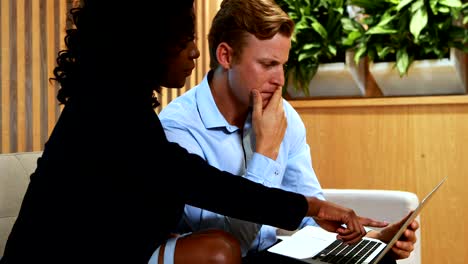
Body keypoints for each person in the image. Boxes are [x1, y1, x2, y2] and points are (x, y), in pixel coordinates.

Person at [0, 1, 389, 264]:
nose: (193, 51)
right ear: (145, 44)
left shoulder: (120, 106)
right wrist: (300, 192)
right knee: (218, 250)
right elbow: (206, 188)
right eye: (182, 38)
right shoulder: (113, 114)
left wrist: (361, 238)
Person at [159, 0, 419, 263]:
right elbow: (230, 248)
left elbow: (312, 219)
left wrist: (372, 240)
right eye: (267, 64)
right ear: (226, 56)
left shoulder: (284, 115)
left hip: (273, 253)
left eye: (282, 65)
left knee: (380, 260)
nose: (280, 79)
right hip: (232, 255)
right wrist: (266, 153)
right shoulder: (178, 127)